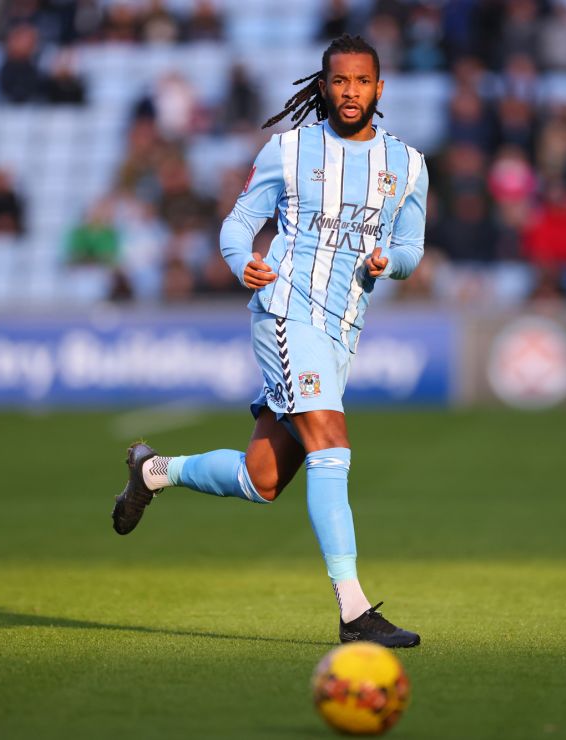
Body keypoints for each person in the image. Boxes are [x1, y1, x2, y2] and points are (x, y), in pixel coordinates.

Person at [109, 35, 427, 648]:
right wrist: (243, 263)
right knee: (332, 445)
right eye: (340, 81)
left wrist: (394, 262)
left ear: (379, 88)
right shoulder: (289, 149)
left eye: (363, 81)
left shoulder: (408, 165)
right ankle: (355, 610)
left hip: (343, 329)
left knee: (263, 480)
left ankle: (153, 472)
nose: (351, 91)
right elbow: (236, 225)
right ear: (324, 86)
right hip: (286, 311)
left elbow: (413, 246)